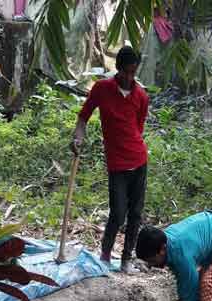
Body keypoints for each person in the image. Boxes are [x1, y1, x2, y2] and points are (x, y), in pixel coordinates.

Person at [73, 46, 150, 274]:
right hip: (117, 164)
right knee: (117, 213)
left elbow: (138, 127)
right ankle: (105, 256)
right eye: (125, 72)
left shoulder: (141, 96)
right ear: (117, 69)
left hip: (139, 161)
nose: (129, 77)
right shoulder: (102, 89)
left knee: (135, 213)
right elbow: (83, 116)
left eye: (133, 73)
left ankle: (126, 260)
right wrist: (78, 137)